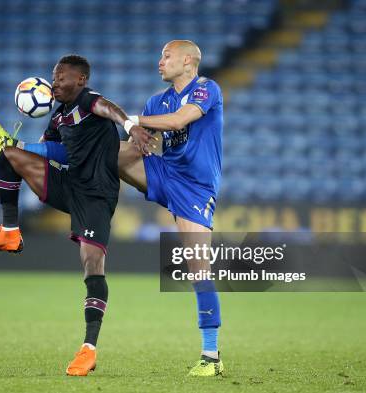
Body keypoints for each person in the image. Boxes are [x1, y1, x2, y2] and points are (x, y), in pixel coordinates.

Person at [0, 55, 150, 376]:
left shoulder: (88, 100)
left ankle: (88, 349)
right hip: (70, 185)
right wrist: (12, 172)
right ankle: (10, 233)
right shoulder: (58, 118)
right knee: (9, 153)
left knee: (91, 264)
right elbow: (51, 152)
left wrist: (130, 126)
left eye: (61, 78)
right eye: (53, 78)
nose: (54, 83)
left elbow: (107, 107)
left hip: (97, 195)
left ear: (80, 80)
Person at [118, 39, 225, 377]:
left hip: (195, 188)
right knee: (106, 154)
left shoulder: (207, 88)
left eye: (167, 56)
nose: (160, 61)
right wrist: (119, 141)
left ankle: (211, 356)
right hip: (165, 172)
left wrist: (129, 119)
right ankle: (43, 156)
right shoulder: (156, 101)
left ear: (189, 61)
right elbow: (140, 145)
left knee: (198, 268)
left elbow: (180, 121)